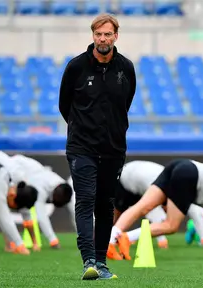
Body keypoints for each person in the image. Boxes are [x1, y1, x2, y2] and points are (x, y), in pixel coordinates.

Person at [59, 13, 136, 280]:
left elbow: (125, 104)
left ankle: (101, 263)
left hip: (114, 148)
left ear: (116, 36)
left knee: (105, 205)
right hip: (81, 147)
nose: (102, 39)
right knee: (86, 201)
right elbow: (64, 105)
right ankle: (88, 261)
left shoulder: (126, 68)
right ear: (93, 36)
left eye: (107, 34)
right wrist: (83, 129)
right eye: (98, 34)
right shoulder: (76, 67)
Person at [107, 160, 203, 260]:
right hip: (126, 178)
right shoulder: (158, 188)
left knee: (128, 213)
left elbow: (195, 211)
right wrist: (162, 241)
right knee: (116, 214)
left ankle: (116, 237)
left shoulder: (177, 186)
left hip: (139, 178)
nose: (166, 211)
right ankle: (107, 241)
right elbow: (152, 212)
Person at [0, 159, 38, 255]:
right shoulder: (1, 177)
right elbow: (3, 216)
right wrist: (20, 245)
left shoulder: (7, 179)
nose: (9, 207)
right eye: (12, 206)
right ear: (13, 196)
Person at [25, 168, 73, 249]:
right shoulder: (40, 190)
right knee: (25, 212)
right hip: (21, 179)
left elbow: (75, 209)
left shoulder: (63, 186)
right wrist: (53, 240)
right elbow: (41, 217)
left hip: (34, 171)